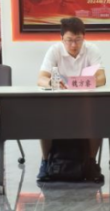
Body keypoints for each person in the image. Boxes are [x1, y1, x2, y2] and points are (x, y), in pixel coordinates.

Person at [36, 17, 105, 180]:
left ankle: (91, 162)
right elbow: (41, 78)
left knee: (98, 118)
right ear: (61, 39)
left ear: (84, 38)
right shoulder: (54, 50)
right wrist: (52, 82)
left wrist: (84, 82)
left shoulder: (92, 49)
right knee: (43, 120)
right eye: (69, 40)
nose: (73, 45)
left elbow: (102, 78)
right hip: (59, 103)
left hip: (85, 102)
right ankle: (45, 162)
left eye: (78, 40)